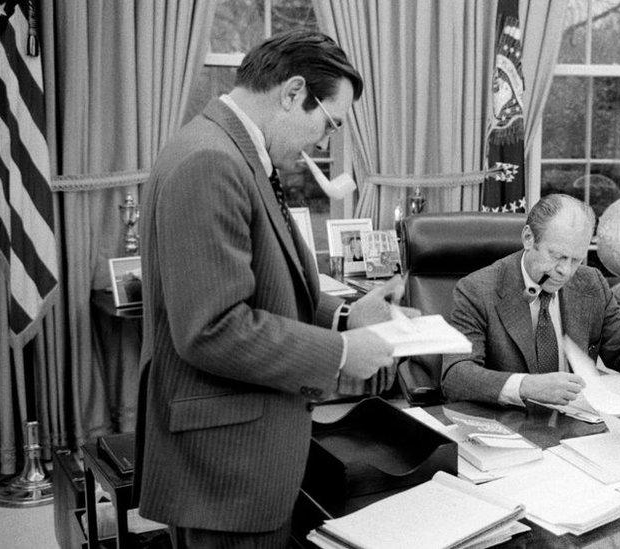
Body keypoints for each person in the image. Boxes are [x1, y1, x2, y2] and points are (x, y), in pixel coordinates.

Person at [136, 30, 416, 547]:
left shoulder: (230, 149)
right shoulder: (212, 162)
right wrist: (340, 354)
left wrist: (345, 318)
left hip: (240, 459)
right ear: (291, 93)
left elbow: (267, 283)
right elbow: (212, 328)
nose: (325, 142)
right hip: (226, 473)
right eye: (329, 122)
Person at [441, 193, 620, 407]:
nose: (565, 271)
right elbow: (456, 375)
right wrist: (527, 386)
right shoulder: (477, 290)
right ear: (528, 238)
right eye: (557, 256)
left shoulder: (590, 283)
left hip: (580, 421)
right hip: (514, 424)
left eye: (576, 259)